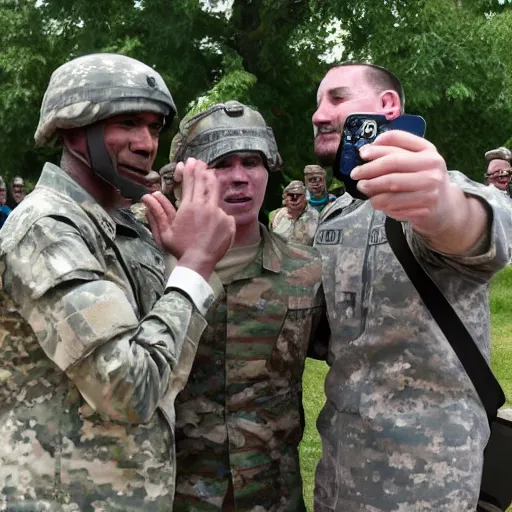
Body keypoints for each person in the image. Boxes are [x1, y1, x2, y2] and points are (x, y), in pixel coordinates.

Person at [0, 53, 235, 510]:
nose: (146, 143)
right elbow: (130, 390)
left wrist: (180, 260)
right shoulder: (46, 230)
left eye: (154, 127)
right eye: (127, 123)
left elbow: (166, 366)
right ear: (72, 130)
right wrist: (194, 266)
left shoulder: (125, 222)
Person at [311, 62, 512, 511]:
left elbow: (476, 227)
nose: (320, 114)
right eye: (318, 102)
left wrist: (440, 208)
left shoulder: (442, 190)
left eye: (337, 99)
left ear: (388, 106)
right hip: (339, 472)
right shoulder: (334, 216)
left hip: (431, 481)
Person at [161, 100, 324, 511]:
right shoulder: (149, 266)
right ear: (186, 175)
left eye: (252, 162)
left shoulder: (307, 270)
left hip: (272, 497)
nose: (239, 177)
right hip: (172, 493)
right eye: (222, 162)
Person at [269, 179, 319, 245]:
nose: (294, 198)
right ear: (285, 198)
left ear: (305, 198)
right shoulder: (276, 215)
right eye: (291, 195)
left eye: (298, 195)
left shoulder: (314, 215)